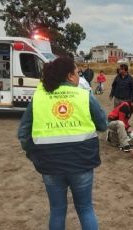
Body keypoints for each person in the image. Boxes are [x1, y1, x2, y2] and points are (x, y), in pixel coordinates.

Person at [17, 57, 107, 230]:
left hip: (49, 164)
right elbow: (102, 124)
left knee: (57, 211)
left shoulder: (39, 98)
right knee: (85, 208)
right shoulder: (83, 95)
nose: (78, 76)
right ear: (69, 76)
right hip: (81, 162)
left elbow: (23, 133)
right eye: (76, 72)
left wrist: (34, 155)